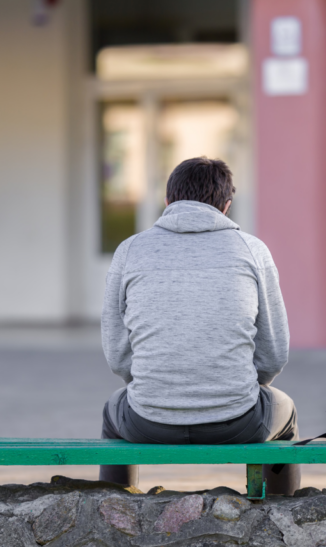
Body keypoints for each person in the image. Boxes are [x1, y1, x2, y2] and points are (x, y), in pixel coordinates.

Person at [99, 156, 300, 495]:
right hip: (239, 422)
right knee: (287, 411)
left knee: (112, 410)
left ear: (167, 202)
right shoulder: (252, 251)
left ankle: (117, 512)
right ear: (226, 206)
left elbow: (118, 356)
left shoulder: (130, 250)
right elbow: (274, 354)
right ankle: (281, 516)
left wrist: (159, 388)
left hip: (148, 422)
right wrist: (240, 388)